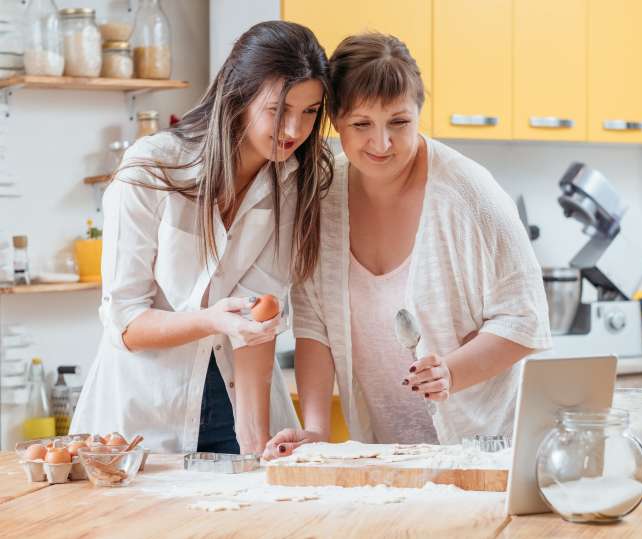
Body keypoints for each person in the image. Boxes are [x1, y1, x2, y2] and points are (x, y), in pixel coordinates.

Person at [264, 33, 551, 458]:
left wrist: (451, 372)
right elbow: (314, 327)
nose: (381, 144)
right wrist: (317, 431)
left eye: (399, 123)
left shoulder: (469, 193)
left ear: (419, 113)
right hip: (387, 452)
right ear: (335, 120)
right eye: (362, 124)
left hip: (487, 449)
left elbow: (525, 321)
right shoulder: (322, 196)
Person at [71, 21, 334, 455]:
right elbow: (126, 321)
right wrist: (212, 320)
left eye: (309, 112)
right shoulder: (152, 170)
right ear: (239, 96)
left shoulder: (294, 185)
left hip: (235, 404)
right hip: (141, 418)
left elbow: (257, 327)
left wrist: (254, 448)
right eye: (279, 110)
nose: (294, 129)